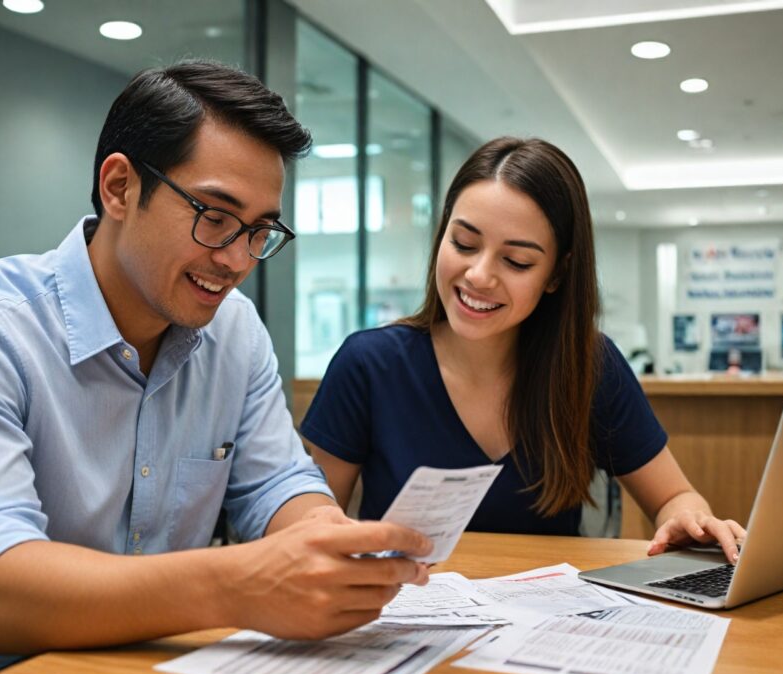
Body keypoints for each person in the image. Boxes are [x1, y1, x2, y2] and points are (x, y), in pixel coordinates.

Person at [0, 61, 431, 674]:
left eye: (262, 230)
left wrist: (325, 540)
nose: (239, 260)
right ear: (120, 188)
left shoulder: (234, 332)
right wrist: (237, 584)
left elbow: (277, 485)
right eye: (215, 216)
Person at [302, 137, 745, 560]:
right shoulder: (370, 365)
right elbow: (310, 524)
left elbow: (673, 496)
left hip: (547, 628)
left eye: (517, 262)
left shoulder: (588, 366)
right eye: (464, 243)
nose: (479, 275)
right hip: (400, 615)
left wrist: (690, 519)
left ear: (556, 275)